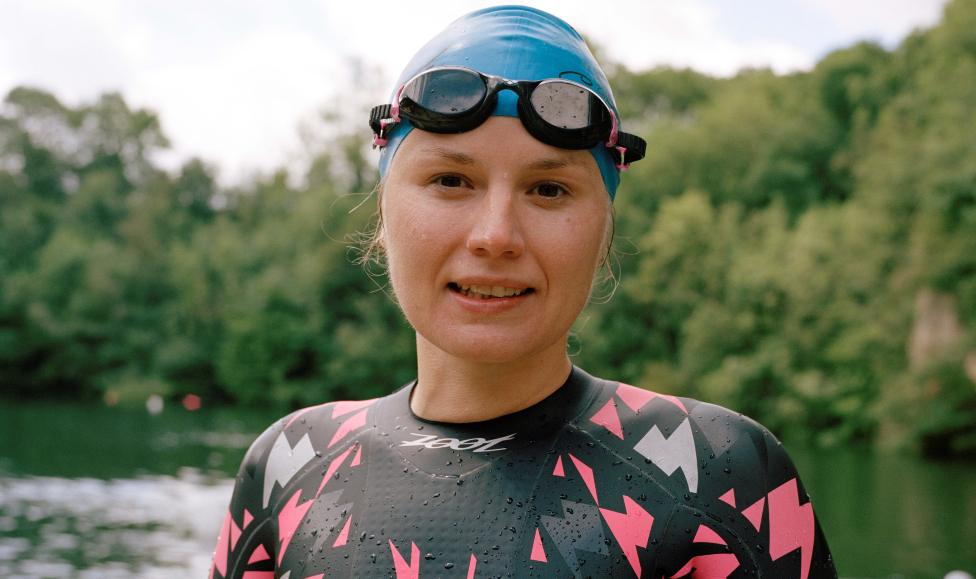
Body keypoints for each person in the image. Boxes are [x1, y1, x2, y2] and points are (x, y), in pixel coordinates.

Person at [209, 6, 836, 578]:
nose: (496, 235)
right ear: (383, 213)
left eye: (549, 190)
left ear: (603, 230)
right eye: (451, 179)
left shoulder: (717, 474)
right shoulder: (288, 467)